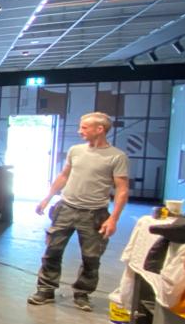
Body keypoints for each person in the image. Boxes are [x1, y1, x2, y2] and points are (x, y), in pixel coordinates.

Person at [28, 112, 129, 311]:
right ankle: (45, 290)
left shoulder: (117, 157)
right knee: (52, 251)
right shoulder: (75, 150)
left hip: (94, 214)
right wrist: (47, 198)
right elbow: (64, 176)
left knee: (91, 258)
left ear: (99, 129)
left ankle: (82, 293)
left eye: (84, 127)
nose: (79, 131)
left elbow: (122, 189)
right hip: (66, 208)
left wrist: (114, 219)